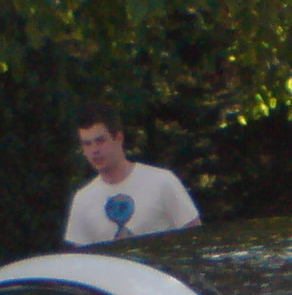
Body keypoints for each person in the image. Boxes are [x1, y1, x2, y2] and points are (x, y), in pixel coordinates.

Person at [63, 103, 200, 246]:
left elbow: (195, 237)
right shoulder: (82, 200)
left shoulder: (162, 182)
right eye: (87, 144)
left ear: (119, 138)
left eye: (100, 141)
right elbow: (80, 256)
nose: (94, 150)